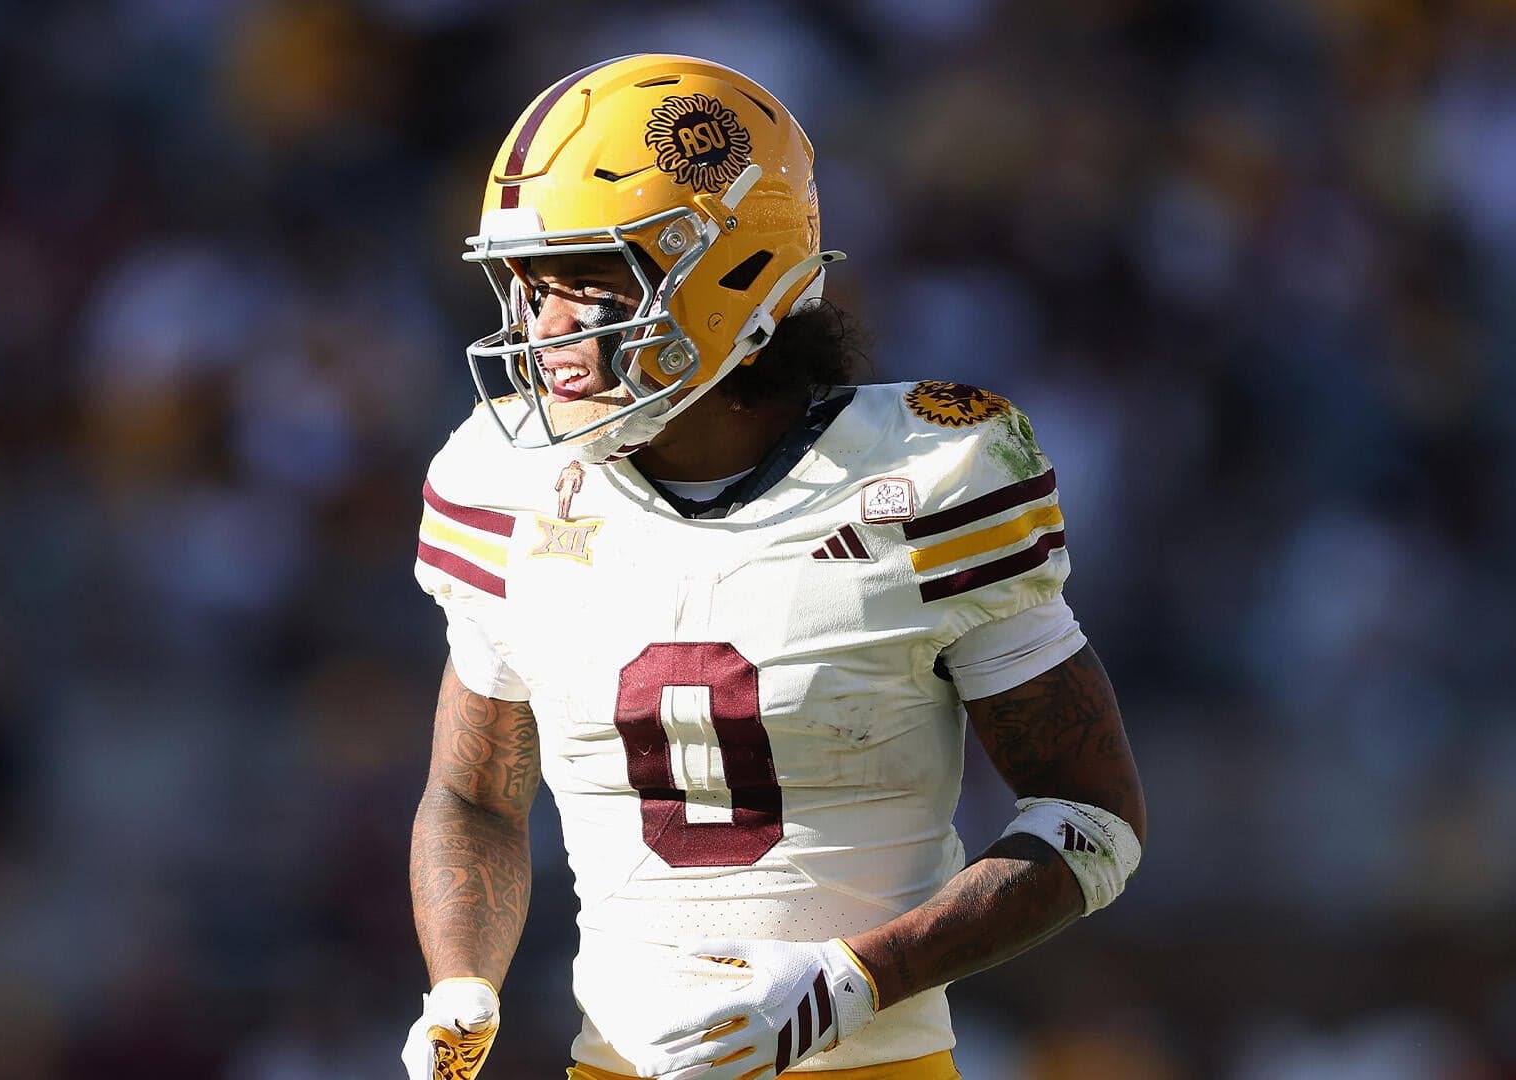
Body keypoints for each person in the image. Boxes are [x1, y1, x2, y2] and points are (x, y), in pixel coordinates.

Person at [402, 54, 1146, 1080]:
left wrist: (854, 982)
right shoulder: (507, 483)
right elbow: (475, 797)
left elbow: (1094, 818)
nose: (547, 331)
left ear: (729, 272)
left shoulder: (927, 474)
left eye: (590, 283)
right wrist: (461, 984)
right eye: (529, 287)